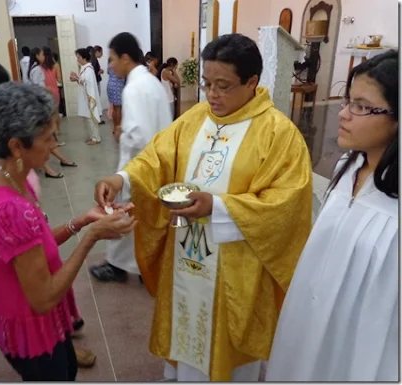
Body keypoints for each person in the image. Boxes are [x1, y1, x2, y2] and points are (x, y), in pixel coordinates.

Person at [94, 33, 313, 381]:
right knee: (186, 332)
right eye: (208, 83)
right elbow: (156, 157)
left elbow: (286, 204)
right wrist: (122, 179)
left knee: (228, 356)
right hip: (186, 250)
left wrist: (219, 207)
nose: (212, 94)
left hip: (236, 263)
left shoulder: (278, 134)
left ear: (252, 82)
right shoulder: (198, 116)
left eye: (223, 85)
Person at [0, 82, 136, 381]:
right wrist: (92, 237)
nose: (54, 145)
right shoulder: (10, 207)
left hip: (29, 315)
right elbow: (44, 297)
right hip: (31, 322)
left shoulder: (8, 177)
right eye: (47, 138)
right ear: (16, 145)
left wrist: (83, 220)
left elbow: (36, 243)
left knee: (68, 369)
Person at [266, 50, 398, 382]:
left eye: (361, 107)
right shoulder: (346, 167)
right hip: (311, 315)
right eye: (346, 101)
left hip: (363, 336)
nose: (343, 114)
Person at [90, 33, 172, 283]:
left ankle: (118, 266)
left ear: (126, 58)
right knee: (141, 215)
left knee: (124, 212)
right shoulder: (151, 82)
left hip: (138, 163)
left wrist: (122, 133)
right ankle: (141, 263)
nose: (110, 65)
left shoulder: (134, 88)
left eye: (113, 59)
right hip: (158, 160)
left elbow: (139, 135)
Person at [28, 47, 76, 176]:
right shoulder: (38, 69)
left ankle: (61, 160)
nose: (43, 56)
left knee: (48, 138)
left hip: (41, 103)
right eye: (41, 54)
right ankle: (50, 167)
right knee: (44, 139)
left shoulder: (34, 68)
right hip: (43, 104)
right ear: (38, 56)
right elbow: (40, 88)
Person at [70, 48, 101, 145]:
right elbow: (83, 80)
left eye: (78, 57)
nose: (78, 59)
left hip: (89, 98)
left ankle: (96, 138)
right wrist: (77, 77)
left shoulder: (89, 69)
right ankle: (92, 136)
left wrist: (77, 79)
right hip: (85, 98)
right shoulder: (85, 69)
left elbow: (88, 83)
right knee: (87, 119)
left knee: (91, 119)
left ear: (84, 57)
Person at [106, 58, 125, 132]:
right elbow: (122, 75)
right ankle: (118, 129)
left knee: (114, 108)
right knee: (118, 109)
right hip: (117, 86)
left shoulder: (110, 62)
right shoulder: (117, 63)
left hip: (110, 84)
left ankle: (115, 127)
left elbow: (108, 72)